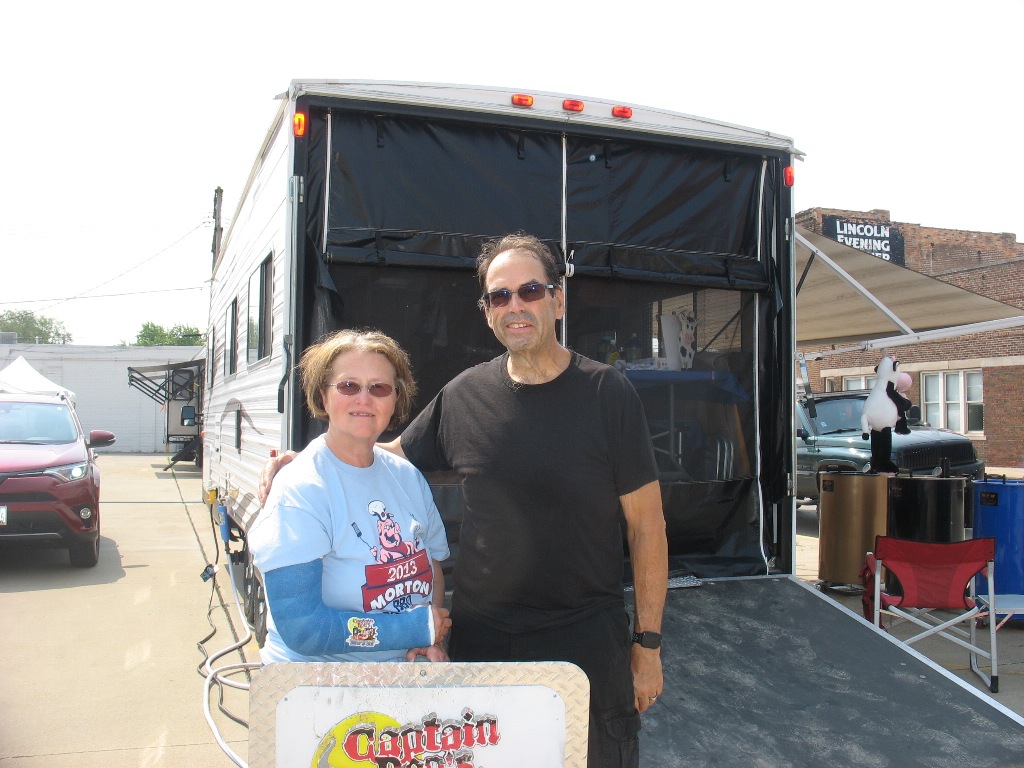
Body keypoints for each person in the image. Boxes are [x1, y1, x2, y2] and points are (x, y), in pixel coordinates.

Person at [260, 235, 668, 768]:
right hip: (484, 643)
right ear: (487, 312)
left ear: (558, 300)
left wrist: (648, 645)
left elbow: (647, 528)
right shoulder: (464, 395)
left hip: (585, 642)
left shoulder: (607, 394)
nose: (515, 305)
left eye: (530, 291)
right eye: (500, 296)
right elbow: (382, 449)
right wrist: (304, 460)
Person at [249, 329, 451, 664]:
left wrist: (431, 640)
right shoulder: (301, 489)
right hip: (317, 686)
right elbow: (305, 628)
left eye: (379, 388)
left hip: (401, 678)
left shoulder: (407, 477)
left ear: (396, 399)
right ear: (323, 396)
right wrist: (411, 630)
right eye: (348, 386)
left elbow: (433, 572)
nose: (364, 399)